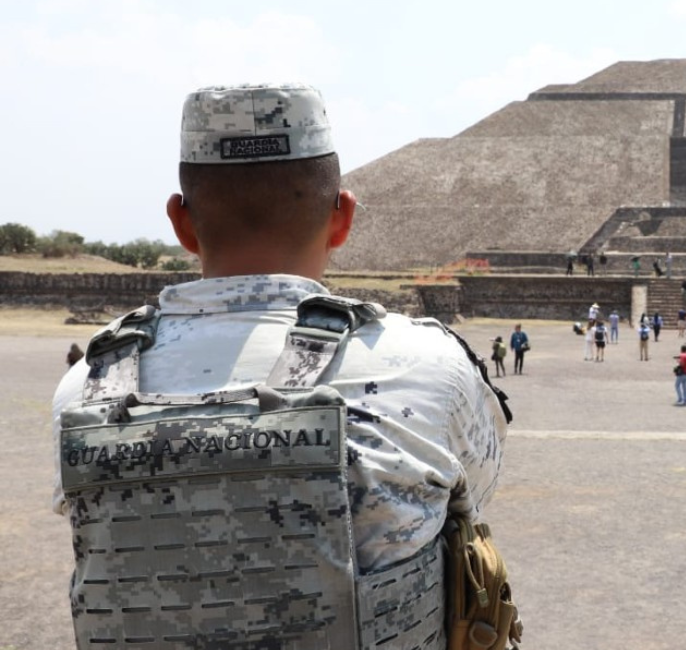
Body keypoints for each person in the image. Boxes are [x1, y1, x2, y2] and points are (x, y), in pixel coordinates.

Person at [50, 83, 507, 648]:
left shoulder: (88, 391)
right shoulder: (427, 367)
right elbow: (475, 494)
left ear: (180, 222)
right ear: (342, 217)